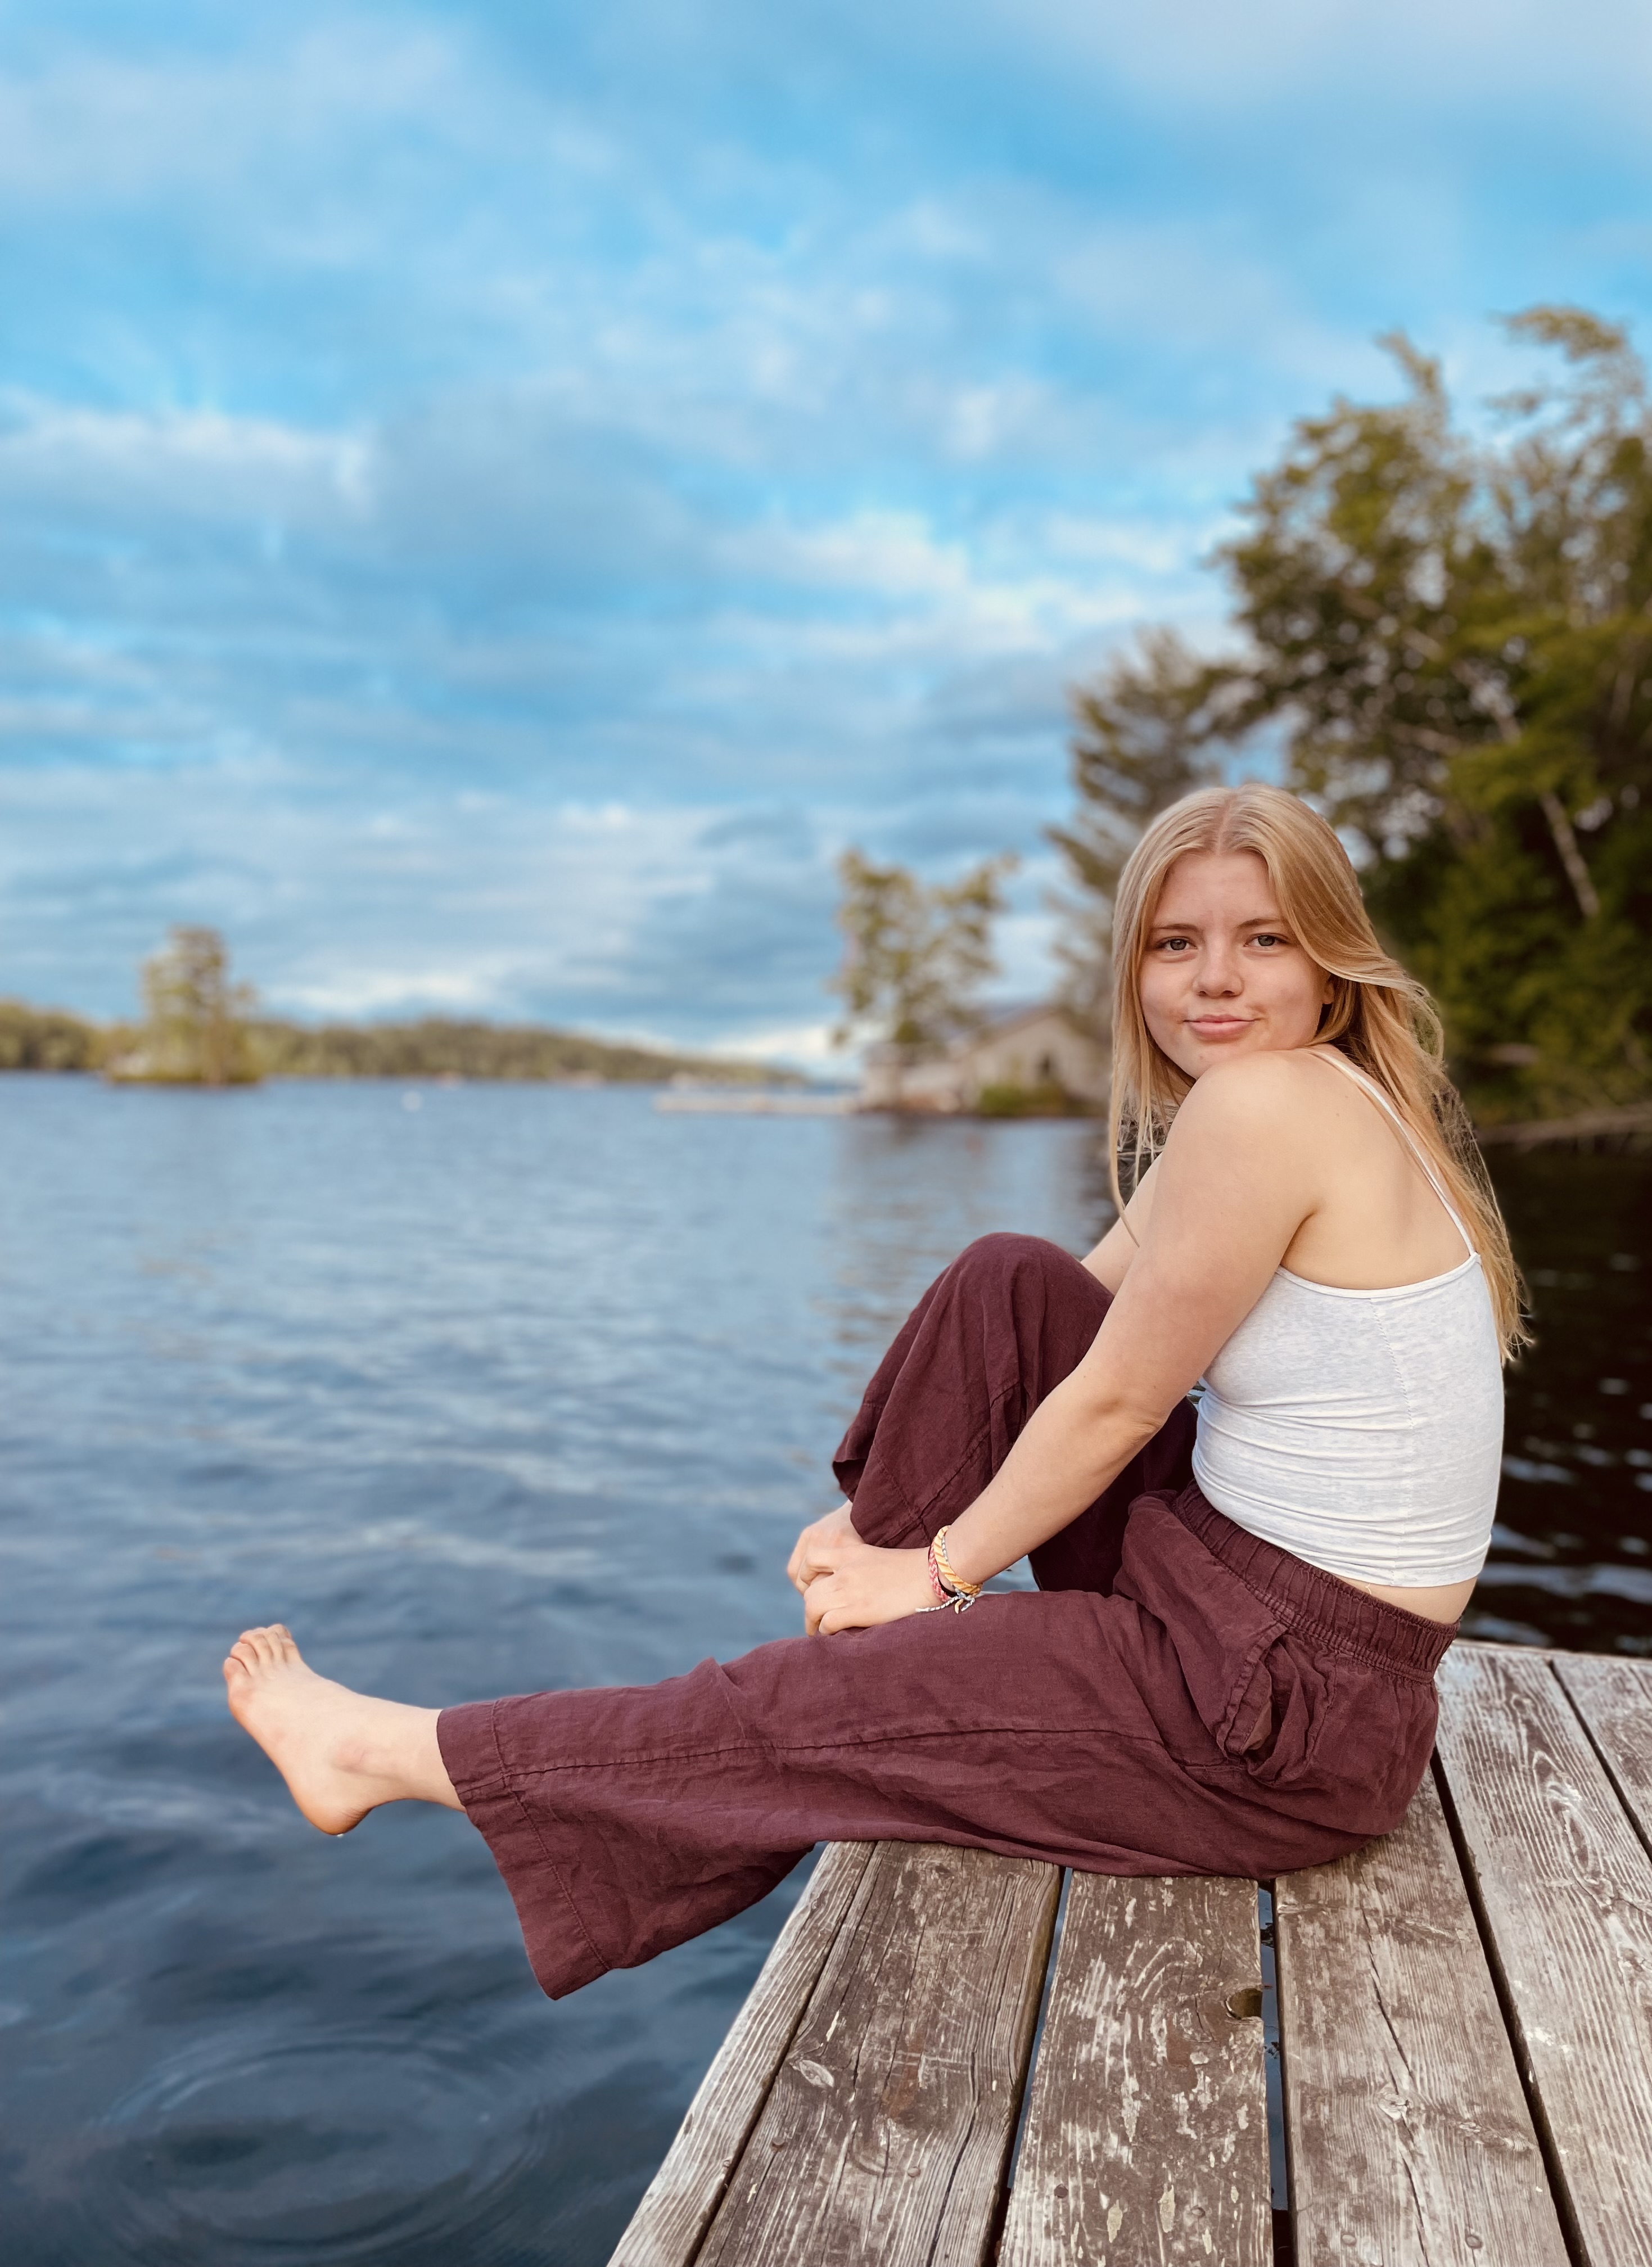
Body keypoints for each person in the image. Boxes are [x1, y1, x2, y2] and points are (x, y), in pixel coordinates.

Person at [224, 783, 1518, 2000]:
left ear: (1333, 963)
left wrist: (944, 1574)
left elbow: (1118, 1405)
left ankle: (389, 1757)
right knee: (1005, 1278)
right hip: (1260, 1633)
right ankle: (852, 1637)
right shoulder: (1296, 1104)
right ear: (1134, 969)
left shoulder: (1270, 1108)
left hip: (1276, 1721)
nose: (1216, 978)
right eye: (1176, 943)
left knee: (816, 1694)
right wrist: (882, 1535)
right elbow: (1052, 1326)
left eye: (1266, 940)